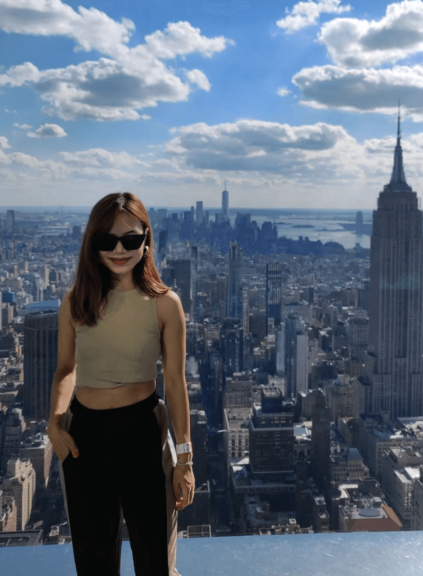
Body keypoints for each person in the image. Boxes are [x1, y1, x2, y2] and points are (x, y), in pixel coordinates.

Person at [47, 192, 194, 576]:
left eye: (130, 239)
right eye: (106, 240)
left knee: (156, 562)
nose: (119, 249)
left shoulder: (165, 304)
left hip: (143, 430)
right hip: (85, 437)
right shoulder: (74, 302)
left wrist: (185, 460)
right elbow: (66, 369)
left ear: (146, 241)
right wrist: (54, 423)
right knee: (93, 562)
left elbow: (175, 384)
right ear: (91, 243)